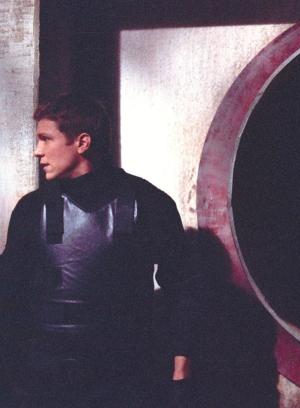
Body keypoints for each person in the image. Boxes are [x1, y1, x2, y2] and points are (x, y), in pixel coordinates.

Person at [0, 93, 197, 407]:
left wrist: (180, 367)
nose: (38, 151)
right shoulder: (32, 209)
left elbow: (183, 288)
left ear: (82, 142)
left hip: (124, 381)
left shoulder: (148, 203)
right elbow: (9, 293)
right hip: (44, 382)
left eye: (46, 139)